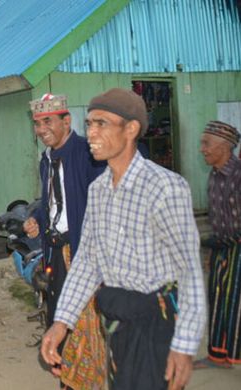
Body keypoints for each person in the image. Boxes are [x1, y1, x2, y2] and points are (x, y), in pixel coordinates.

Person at [41, 88, 206, 390]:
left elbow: (190, 272)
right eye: (89, 123)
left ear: (131, 129)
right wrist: (61, 322)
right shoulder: (99, 190)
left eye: (101, 123)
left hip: (156, 323)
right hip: (119, 322)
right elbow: (88, 262)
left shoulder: (165, 187)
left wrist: (183, 346)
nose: (91, 132)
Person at [23, 94, 107, 389]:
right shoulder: (46, 160)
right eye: (37, 123)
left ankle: (87, 381)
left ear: (66, 121)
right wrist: (38, 220)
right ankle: (69, 381)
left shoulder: (87, 153)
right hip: (56, 253)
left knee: (87, 321)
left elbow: (101, 204)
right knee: (60, 315)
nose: (41, 128)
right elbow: (53, 205)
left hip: (83, 252)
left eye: (47, 121)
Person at [196, 120, 241, 369]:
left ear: (224, 147)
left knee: (235, 302)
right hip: (220, 248)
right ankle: (217, 355)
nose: (202, 149)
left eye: (206, 144)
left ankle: (232, 356)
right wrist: (211, 250)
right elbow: (216, 216)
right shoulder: (214, 175)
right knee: (217, 298)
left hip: (239, 249)